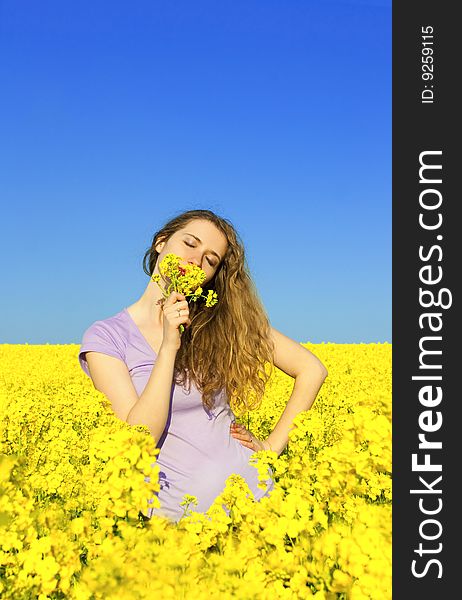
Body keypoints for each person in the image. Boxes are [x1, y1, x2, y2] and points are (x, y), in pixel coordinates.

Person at [78, 209, 328, 522]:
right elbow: (139, 439)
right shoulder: (107, 336)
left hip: (261, 511)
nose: (196, 260)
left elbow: (311, 369)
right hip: (179, 529)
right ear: (161, 242)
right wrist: (170, 345)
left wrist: (271, 449)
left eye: (210, 260)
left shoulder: (222, 321)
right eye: (190, 244)